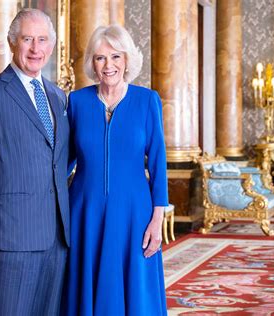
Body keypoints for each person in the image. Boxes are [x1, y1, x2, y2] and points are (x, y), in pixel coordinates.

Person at [0, 9, 70, 316]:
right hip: (10, 237)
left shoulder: (58, 97)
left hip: (56, 237)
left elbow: (59, 161)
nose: (36, 48)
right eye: (28, 39)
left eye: (43, 39)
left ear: (51, 45)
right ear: (12, 42)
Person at [62, 25, 168, 315]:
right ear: (92, 64)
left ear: (127, 60)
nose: (108, 65)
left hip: (134, 212)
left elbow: (158, 163)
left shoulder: (147, 101)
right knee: (86, 283)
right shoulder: (77, 101)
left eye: (115, 57)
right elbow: (63, 162)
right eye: (100, 58)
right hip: (85, 211)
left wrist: (157, 220)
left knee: (135, 291)